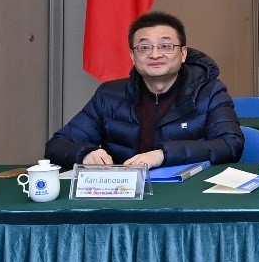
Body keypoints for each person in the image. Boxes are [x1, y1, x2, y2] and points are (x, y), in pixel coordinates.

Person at [45, 11, 243, 169]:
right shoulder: (109, 95)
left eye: (165, 46)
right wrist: (85, 154)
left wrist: (163, 155)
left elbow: (230, 144)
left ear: (183, 54)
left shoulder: (209, 92)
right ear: (133, 56)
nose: (155, 55)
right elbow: (57, 145)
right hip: (123, 195)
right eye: (145, 48)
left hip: (186, 193)